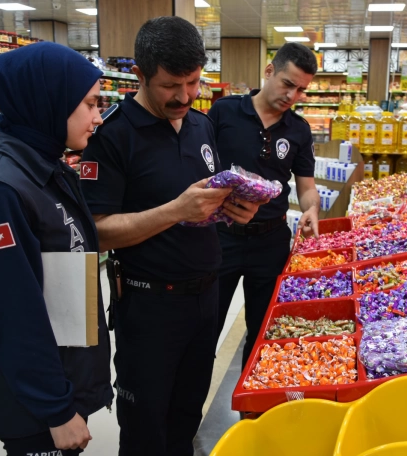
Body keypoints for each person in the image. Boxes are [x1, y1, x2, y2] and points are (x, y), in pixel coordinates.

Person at [79, 17, 261, 456]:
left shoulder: (201, 125)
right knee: (145, 429)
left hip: (206, 297)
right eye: (170, 86)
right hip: (148, 306)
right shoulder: (111, 136)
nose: (184, 96)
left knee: (186, 417)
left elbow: (204, 201)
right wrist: (175, 210)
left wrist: (236, 209)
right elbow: (96, 232)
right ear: (140, 75)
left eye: (193, 82)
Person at [0, 42, 113, 455]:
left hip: (61, 374)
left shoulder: (45, 166)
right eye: (90, 104)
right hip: (36, 406)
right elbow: (15, 312)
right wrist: (56, 409)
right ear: (49, 101)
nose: (98, 116)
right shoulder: (2, 191)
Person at [208, 43, 320, 368]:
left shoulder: (299, 130)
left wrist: (312, 209)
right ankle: (192, 393)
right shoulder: (224, 112)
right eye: (288, 84)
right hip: (221, 235)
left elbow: (307, 186)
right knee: (206, 324)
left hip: (270, 241)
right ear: (269, 71)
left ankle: (250, 396)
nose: (293, 96)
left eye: (301, 90)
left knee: (263, 331)